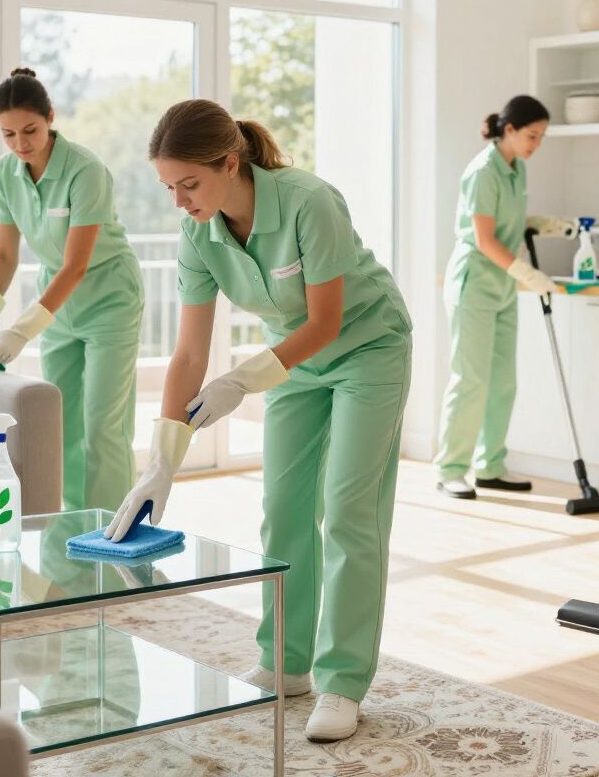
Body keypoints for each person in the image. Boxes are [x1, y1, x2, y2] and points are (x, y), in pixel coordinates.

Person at [104, 100, 412, 743]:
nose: (180, 202)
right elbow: (189, 353)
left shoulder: (309, 202)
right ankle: (284, 661)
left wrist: (241, 380)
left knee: (349, 506)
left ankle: (342, 681)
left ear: (230, 162)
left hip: (366, 349)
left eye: (190, 184)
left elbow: (326, 323)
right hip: (294, 365)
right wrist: (161, 462)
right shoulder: (200, 234)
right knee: (284, 507)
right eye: (169, 187)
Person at [0, 67, 144, 512]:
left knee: (104, 424)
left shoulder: (85, 171)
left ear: (50, 118)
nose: (21, 144)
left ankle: (114, 532)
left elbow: (76, 264)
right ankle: (72, 529)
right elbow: (6, 254)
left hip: (109, 300)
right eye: (8, 134)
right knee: (60, 424)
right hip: (57, 306)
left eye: (30, 130)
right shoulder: (7, 173)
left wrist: (21, 331)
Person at [434, 94, 576, 500]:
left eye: (542, 137)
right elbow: (484, 238)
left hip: (502, 287)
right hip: (474, 284)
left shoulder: (516, 170)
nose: (537, 144)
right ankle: (450, 469)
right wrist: (529, 274)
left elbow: (505, 221)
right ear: (509, 130)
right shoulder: (483, 171)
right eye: (532, 135)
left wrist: (547, 225)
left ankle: (491, 465)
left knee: (503, 383)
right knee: (470, 379)